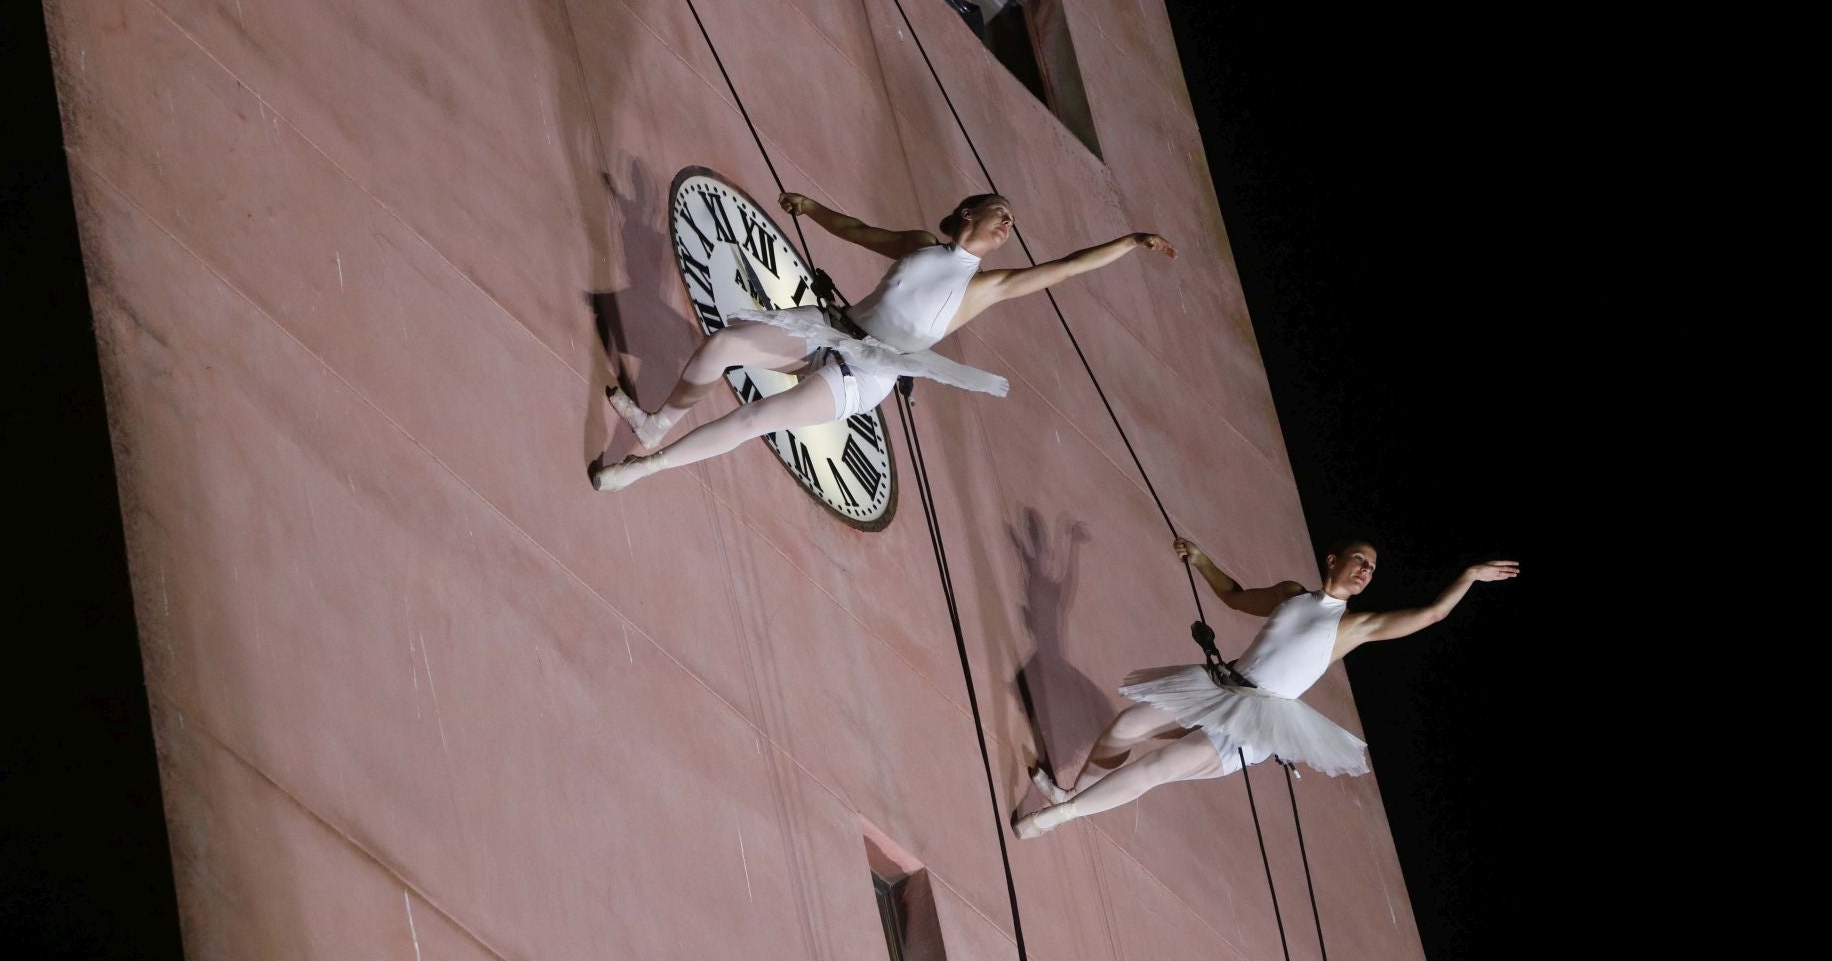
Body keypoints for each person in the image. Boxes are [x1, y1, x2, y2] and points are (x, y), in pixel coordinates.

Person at [592, 192, 1176, 490]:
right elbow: (861, 232)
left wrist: (1129, 241)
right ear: (969, 211)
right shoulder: (923, 243)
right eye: (1001, 213)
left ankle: (641, 471)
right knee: (721, 347)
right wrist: (811, 208)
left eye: (1013, 225)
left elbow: (1066, 267)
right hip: (830, 329)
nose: (1007, 225)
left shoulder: (988, 286)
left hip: (865, 372)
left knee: (758, 418)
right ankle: (654, 425)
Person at [1014, 536, 1519, 837]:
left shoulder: (1353, 626)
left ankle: (1061, 817)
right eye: (1359, 560)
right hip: (1219, 684)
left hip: (1258, 718)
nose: (1366, 571)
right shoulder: (1290, 595)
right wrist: (1202, 559)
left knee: (1160, 766)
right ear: (1332, 560)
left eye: (1372, 569)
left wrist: (1469, 576)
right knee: (1123, 727)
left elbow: (1430, 613)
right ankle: (1068, 792)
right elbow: (1234, 598)